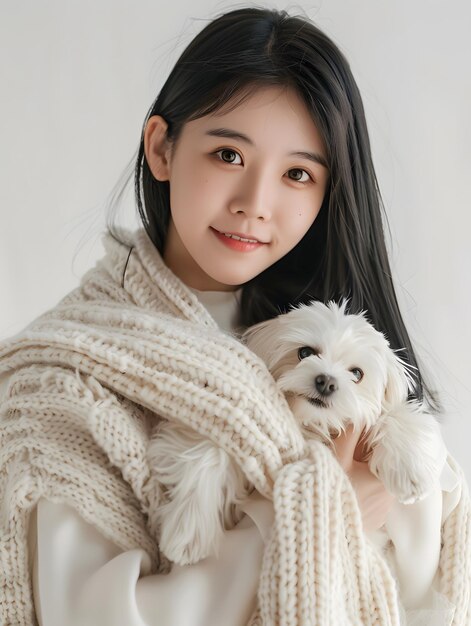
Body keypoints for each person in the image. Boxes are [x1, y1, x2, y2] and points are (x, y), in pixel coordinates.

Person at [0, 6, 469, 626]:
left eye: (297, 173)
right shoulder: (59, 387)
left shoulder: (344, 359)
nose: (255, 205)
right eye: (228, 155)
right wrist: (320, 511)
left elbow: (427, 592)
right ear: (162, 148)